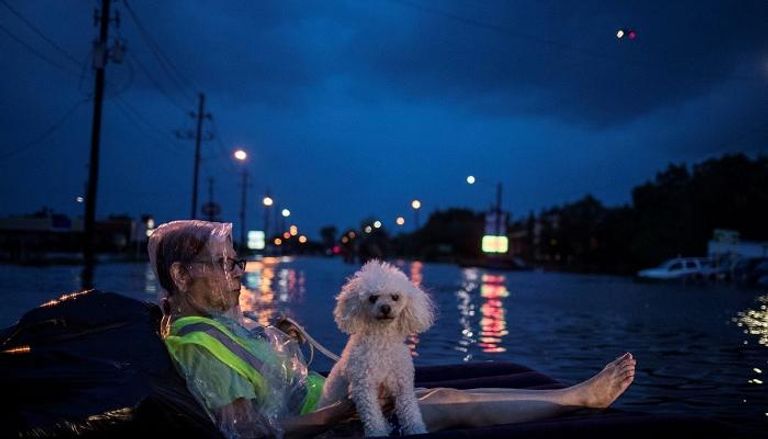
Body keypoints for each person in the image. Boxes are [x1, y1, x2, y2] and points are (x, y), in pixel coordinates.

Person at [148, 220, 636, 438]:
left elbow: (260, 381)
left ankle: (572, 396)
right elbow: (248, 432)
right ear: (181, 275)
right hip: (325, 423)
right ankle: (579, 399)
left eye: (237, 263)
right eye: (225, 264)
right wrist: (337, 414)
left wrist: (277, 337)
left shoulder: (211, 324)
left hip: (321, 401)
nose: (238, 274)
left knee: (439, 390)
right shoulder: (198, 342)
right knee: (439, 403)